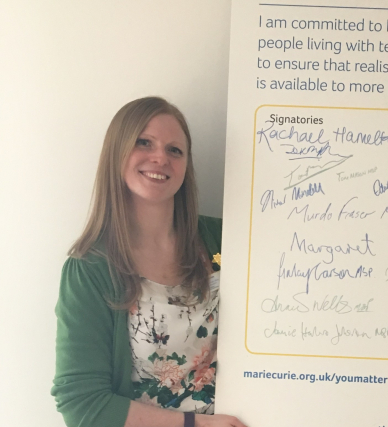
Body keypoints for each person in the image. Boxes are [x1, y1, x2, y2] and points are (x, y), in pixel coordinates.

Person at [52, 97, 247, 427]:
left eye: (175, 150)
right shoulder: (90, 269)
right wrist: (195, 425)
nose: (160, 158)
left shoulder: (224, 240)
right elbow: (81, 404)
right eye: (144, 143)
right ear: (118, 153)